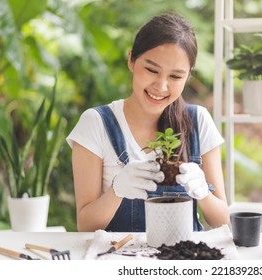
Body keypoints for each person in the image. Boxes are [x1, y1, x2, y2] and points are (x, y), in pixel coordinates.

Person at [66, 12, 229, 232]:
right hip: (119, 260)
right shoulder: (96, 123)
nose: (161, 87)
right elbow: (85, 226)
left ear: (189, 76)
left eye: (175, 77)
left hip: (181, 258)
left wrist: (203, 193)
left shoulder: (197, 121)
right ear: (131, 60)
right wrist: (117, 190)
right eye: (152, 70)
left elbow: (221, 220)